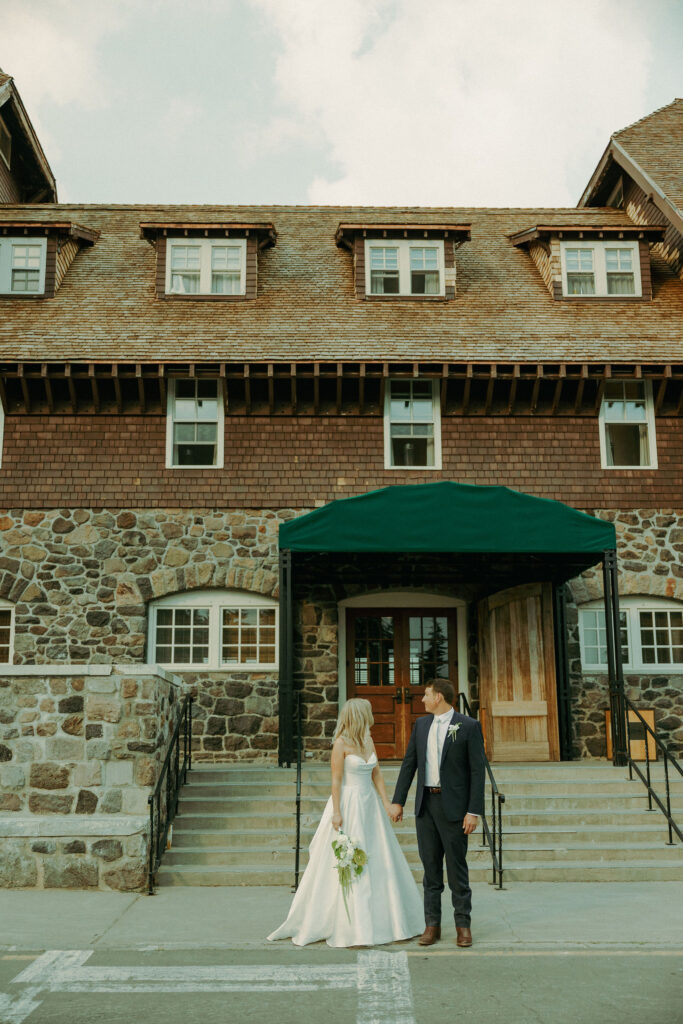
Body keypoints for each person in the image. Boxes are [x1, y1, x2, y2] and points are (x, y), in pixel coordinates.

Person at [268, 697, 424, 947]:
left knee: (378, 856)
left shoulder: (368, 740)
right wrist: (337, 812)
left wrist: (386, 802)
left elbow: (376, 773)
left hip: (370, 805)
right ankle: (352, 926)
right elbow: (336, 780)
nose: (372, 715)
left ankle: (389, 921)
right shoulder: (340, 744)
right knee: (350, 858)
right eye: (369, 712)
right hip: (349, 803)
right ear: (360, 715)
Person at [389, 678, 485, 948]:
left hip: (454, 807)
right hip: (426, 806)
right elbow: (409, 764)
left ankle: (463, 925)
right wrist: (398, 801)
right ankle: (432, 925)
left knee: (456, 870)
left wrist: (473, 811)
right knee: (430, 869)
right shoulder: (421, 725)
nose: (422, 699)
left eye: (426, 694)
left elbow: (477, 772)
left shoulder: (468, 726)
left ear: (439, 697)